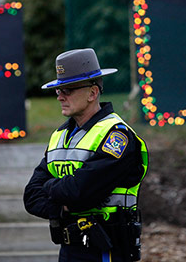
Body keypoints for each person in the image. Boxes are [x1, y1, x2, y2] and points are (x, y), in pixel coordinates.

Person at [24, 48, 149, 262]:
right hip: (69, 250)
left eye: (68, 90)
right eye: (58, 90)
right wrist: (63, 204)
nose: (60, 97)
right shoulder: (59, 136)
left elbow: (80, 191)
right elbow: (31, 197)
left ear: (92, 93)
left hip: (107, 251)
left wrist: (52, 188)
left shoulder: (117, 136)